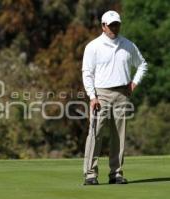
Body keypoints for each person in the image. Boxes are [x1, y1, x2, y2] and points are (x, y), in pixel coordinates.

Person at [82, 10, 147, 185]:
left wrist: (134, 83)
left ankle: (116, 173)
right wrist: (92, 96)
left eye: (117, 24)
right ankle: (90, 174)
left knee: (119, 135)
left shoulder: (128, 45)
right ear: (103, 26)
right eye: (111, 25)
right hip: (100, 94)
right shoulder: (93, 46)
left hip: (122, 94)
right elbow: (87, 73)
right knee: (95, 133)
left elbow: (142, 65)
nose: (114, 28)